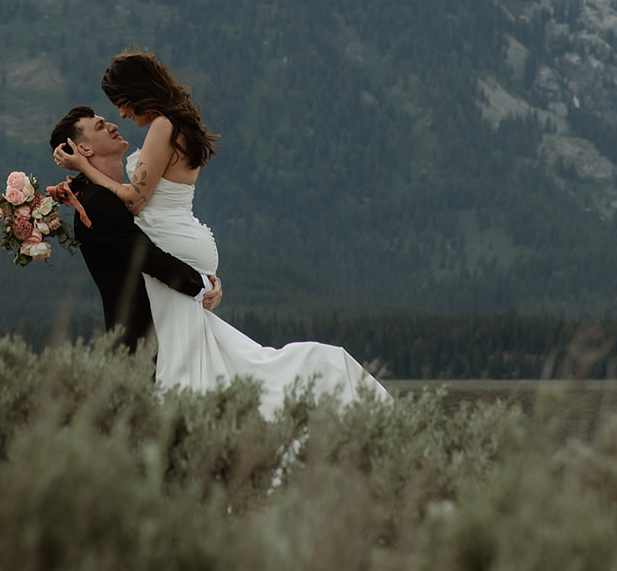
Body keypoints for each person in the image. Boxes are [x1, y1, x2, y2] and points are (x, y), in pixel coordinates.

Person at [53, 50, 389, 418]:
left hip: (172, 245)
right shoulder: (170, 126)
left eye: (121, 103)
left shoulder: (162, 126)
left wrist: (84, 167)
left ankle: (190, 421)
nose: (121, 115)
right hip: (181, 244)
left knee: (191, 362)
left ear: (138, 92)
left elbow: (133, 201)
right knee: (212, 356)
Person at [48, 104, 222, 353]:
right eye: (100, 126)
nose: (114, 125)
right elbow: (146, 255)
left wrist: (207, 278)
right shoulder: (96, 202)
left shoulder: (108, 196)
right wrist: (202, 285)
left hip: (165, 333)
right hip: (142, 345)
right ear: (84, 149)